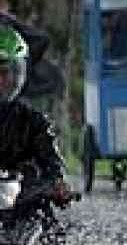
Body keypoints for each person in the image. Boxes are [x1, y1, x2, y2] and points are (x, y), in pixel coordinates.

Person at [0, 25, 68, 204]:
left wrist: (57, 184)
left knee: (47, 219)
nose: (0, 81)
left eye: (5, 73)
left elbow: (52, 161)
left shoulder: (33, 122)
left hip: (19, 209)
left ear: (17, 74)